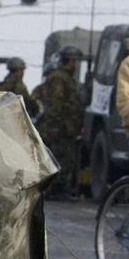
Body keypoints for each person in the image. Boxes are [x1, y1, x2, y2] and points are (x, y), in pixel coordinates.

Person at [36, 47, 86, 199]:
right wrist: (55, 126)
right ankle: (56, 190)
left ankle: (59, 188)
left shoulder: (67, 78)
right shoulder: (59, 77)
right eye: (74, 61)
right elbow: (55, 104)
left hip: (68, 127)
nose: (76, 64)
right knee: (61, 158)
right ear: (70, 61)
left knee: (67, 158)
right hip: (61, 127)